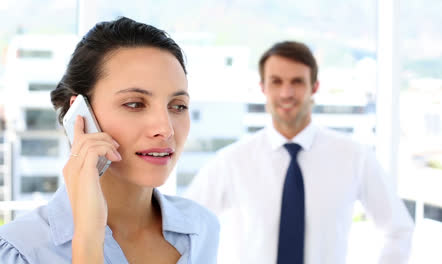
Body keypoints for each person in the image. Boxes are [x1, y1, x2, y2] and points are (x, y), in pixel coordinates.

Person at [0, 17, 219, 264]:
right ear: (81, 114)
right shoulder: (20, 251)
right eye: (135, 104)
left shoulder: (202, 229)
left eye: (178, 106)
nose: (165, 129)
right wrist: (88, 238)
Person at [185, 41, 414, 264]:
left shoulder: (355, 157)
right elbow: (185, 226)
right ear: (263, 87)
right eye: (276, 82)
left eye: (297, 82)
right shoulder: (232, 161)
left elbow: (398, 230)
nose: (286, 93)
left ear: (314, 87)